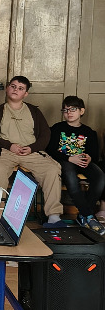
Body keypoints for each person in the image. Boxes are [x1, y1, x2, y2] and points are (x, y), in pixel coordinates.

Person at [0, 76, 63, 227]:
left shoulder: (34, 111)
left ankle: (54, 216)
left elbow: (45, 134)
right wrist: (9, 145)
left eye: (20, 88)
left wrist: (32, 148)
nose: (16, 90)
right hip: (6, 151)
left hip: (30, 151)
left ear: (25, 94)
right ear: (7, 88)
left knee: (52, 169)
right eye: (13, 86)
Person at [46, 96, 105, 234]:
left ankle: (83, 214)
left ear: (81, 111)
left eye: (73, 109)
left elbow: (93, 154)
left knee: (100, 177)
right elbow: (50, 150)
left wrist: (89, 158)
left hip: (82, 161)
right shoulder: (57, 128)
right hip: (65, 161)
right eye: (65, 110)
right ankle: (89, 216)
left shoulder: (89, 132)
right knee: (71, 178)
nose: (69, 112)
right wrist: (69, 158)